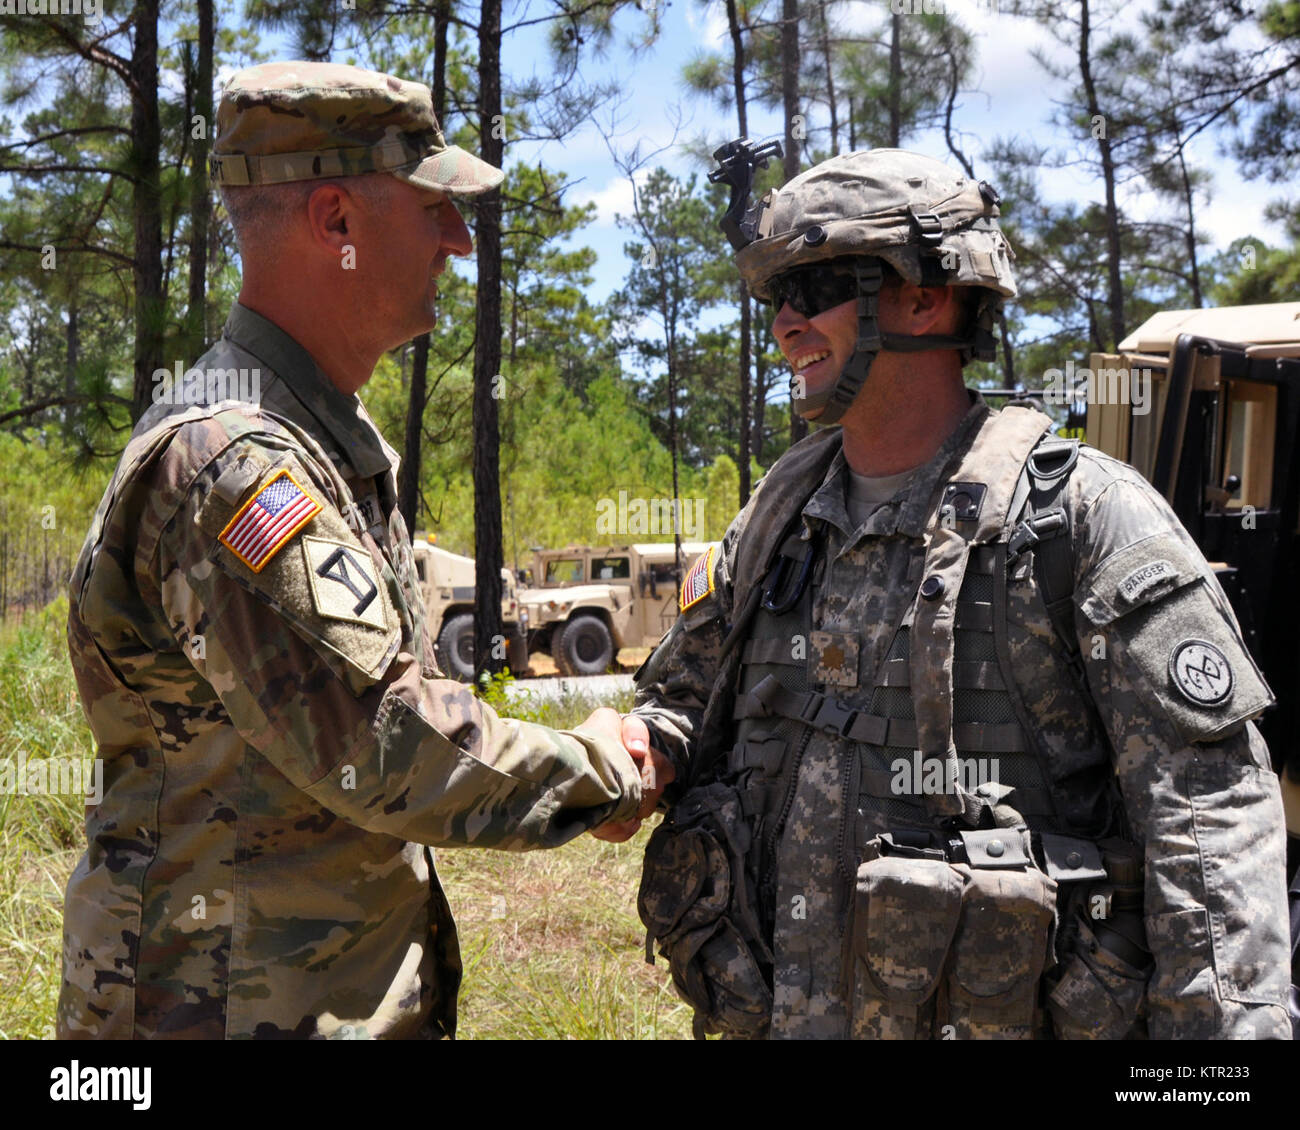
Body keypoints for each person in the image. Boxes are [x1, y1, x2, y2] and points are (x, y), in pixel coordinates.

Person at [58, 60, 669, 1040]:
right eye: (435, 208)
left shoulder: (308, 437)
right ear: (337, 224)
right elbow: (387, 742)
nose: (459, 240)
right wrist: (600, 765)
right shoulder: (234, 462)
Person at [622, 147, 1292, 1040]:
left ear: (925, 296)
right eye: (773, 298)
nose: (784, 324)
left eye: (813, 288)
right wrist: (637, 753)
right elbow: (677, 704)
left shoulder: (1082, 522)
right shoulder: (777, 516)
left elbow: (1207, 829)